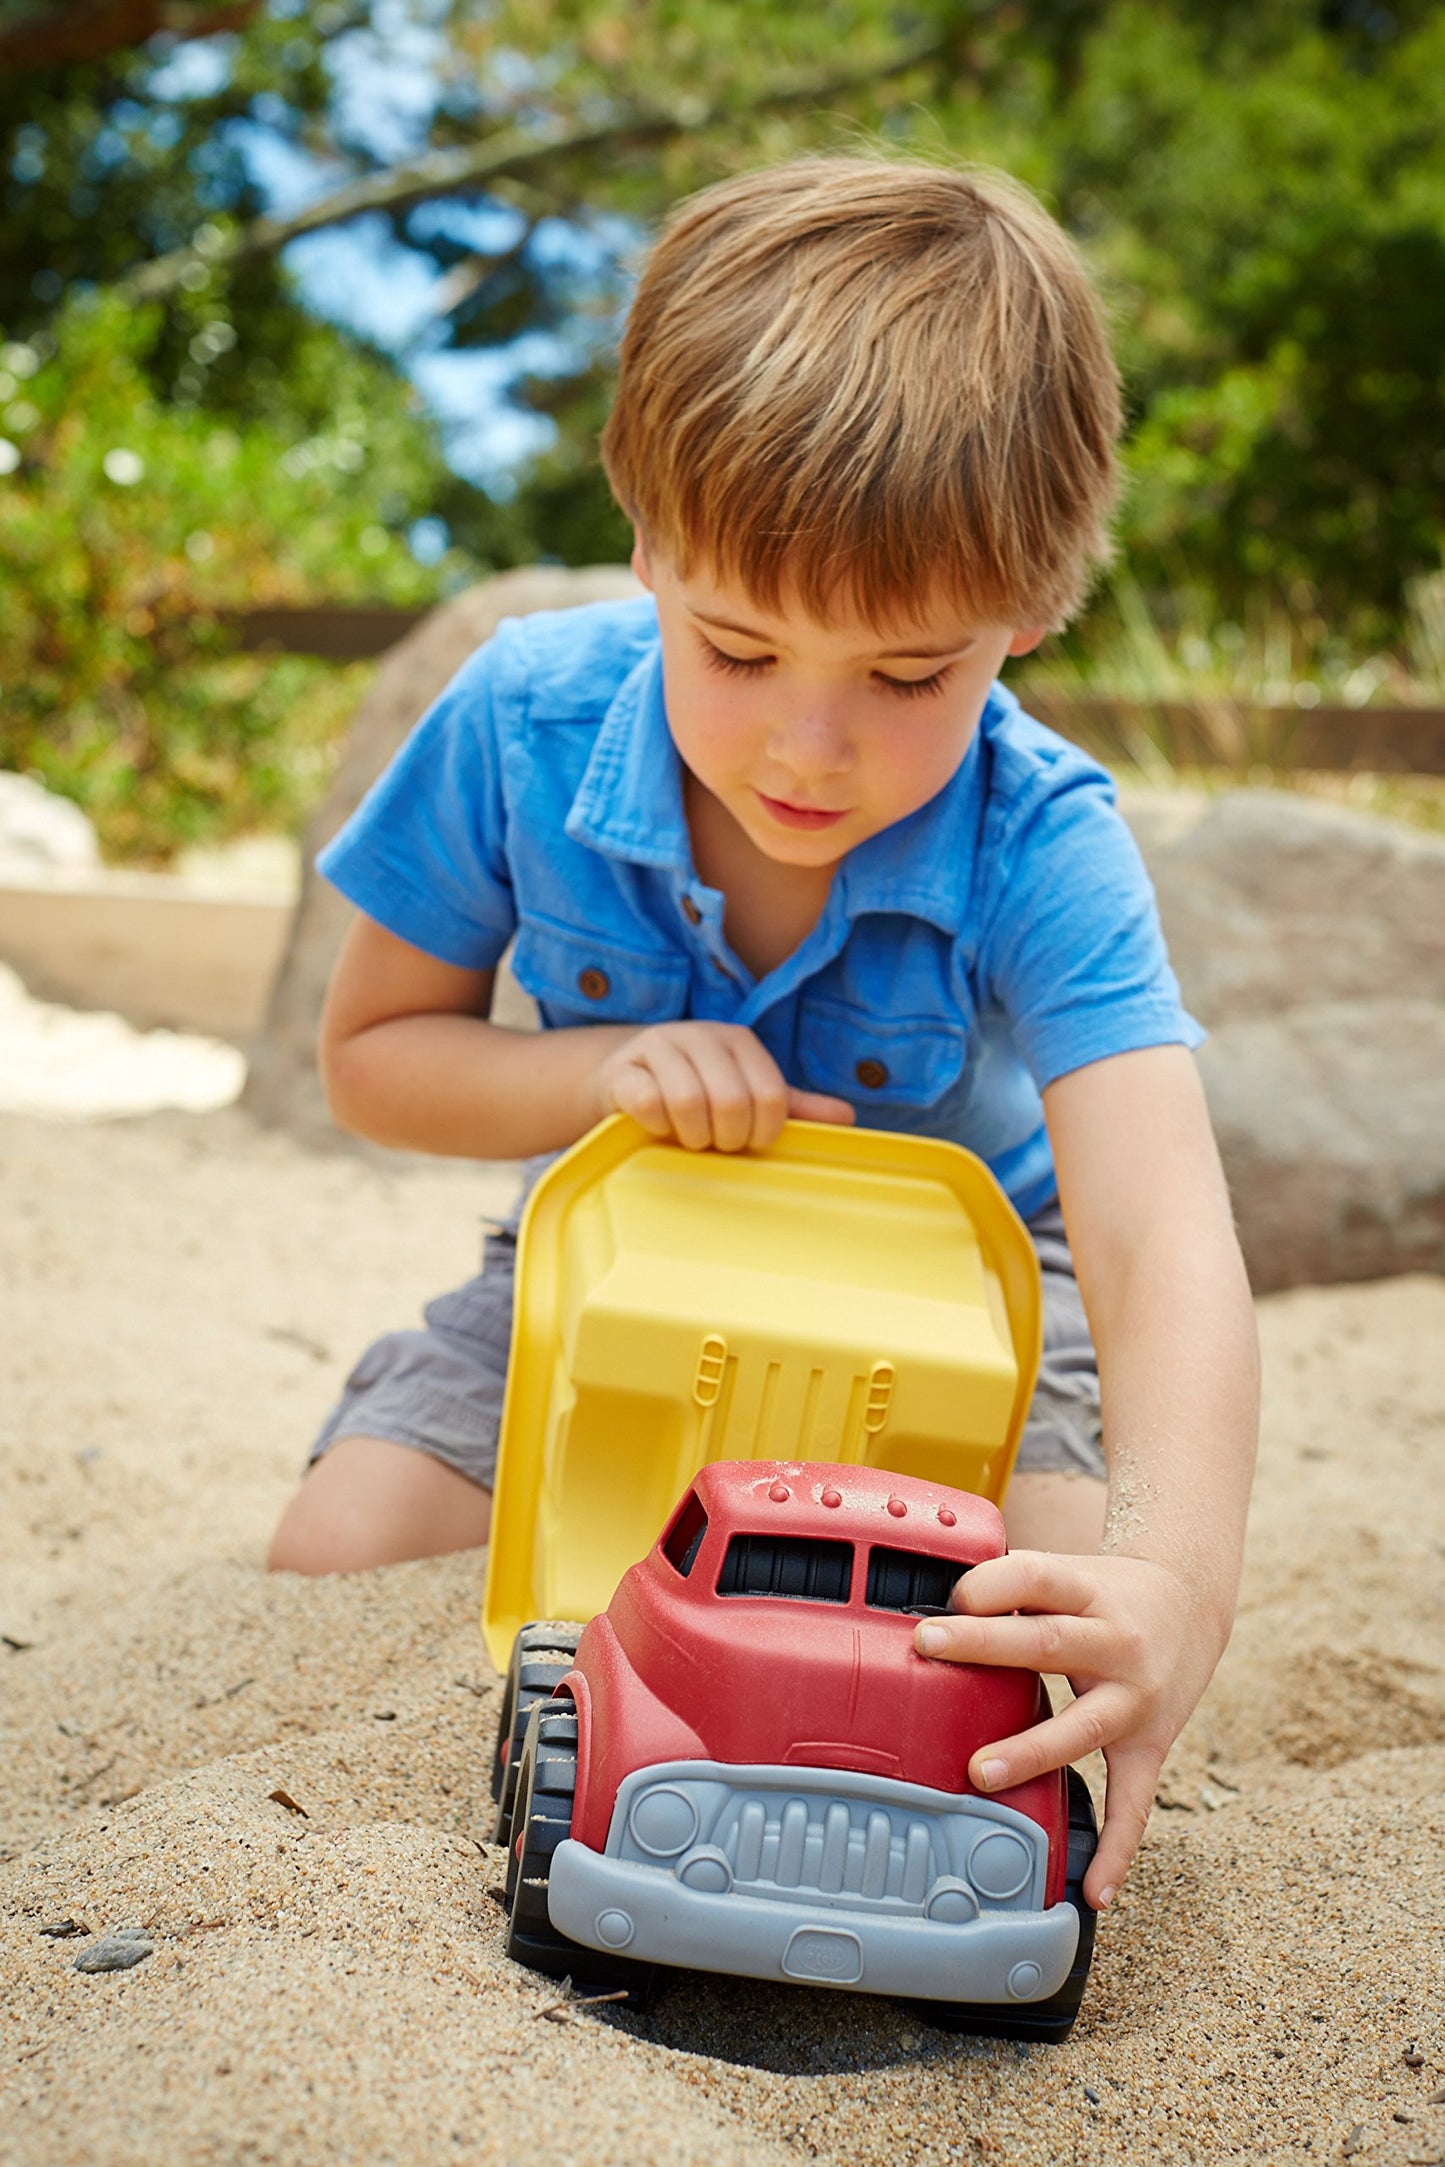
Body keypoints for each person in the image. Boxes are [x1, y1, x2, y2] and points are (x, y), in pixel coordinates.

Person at [268, 156, 1259, 1915]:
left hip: (964, 1315)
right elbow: (373, 1058)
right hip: (616, 1264)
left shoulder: (1041, 835)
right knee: (329, 1559)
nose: (809, 750)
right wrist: (591, 1074)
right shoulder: (519, 717)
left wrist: (1171, 1579)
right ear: (646, 540)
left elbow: (1158, 1233)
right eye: (733, 647)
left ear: (1022, 623)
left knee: (1053, 1624)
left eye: (906, 679)